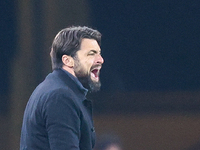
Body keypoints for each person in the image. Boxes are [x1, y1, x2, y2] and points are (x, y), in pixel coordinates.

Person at [20, 26, 104, 150]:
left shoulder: (52, 88)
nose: (100, 60)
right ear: (68, 60)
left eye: (99, 54)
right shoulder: (60, 96)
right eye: (91, 54)